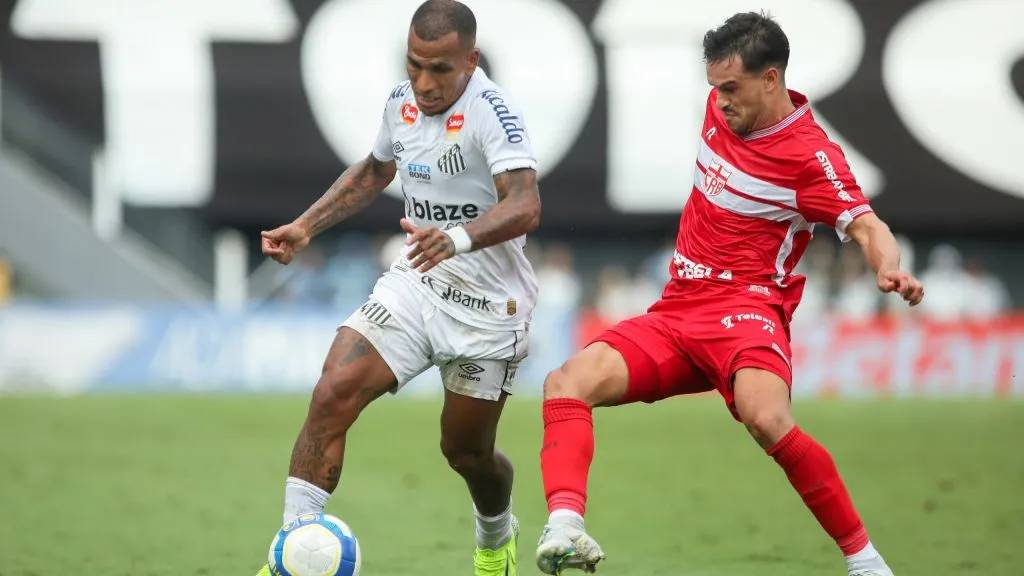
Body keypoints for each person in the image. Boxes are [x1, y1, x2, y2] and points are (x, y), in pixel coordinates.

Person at [534, 12, 923, 576]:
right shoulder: (723, 110)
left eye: (732, 87)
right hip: (677, 310)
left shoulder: (812, 158)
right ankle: (565, 528)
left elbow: (867, 225)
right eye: (714, 88)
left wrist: (891, 270)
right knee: (566, 383)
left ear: (772, 80)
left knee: (766, 418)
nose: (720, 101)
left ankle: (865, 563)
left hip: (746, 312)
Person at [255, 1, 541, 574]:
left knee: (466, 453)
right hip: (417, 286)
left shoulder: (493, 112)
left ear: (471, 60)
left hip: (488, 309)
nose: (425, 83)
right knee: (332, 392)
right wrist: (306, 226)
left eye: (440, 69)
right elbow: (375, 170)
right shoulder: (399, 104)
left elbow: (526, 203)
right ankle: (292, 555)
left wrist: (457, 239)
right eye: (414, 66)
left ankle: (495, 538)